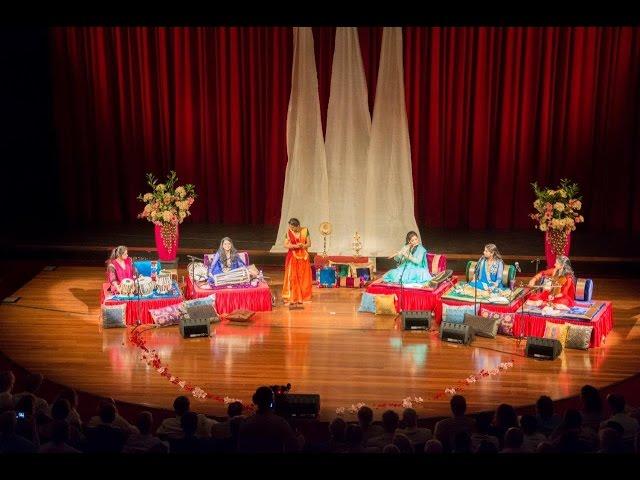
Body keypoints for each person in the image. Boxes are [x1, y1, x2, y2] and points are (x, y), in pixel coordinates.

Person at [282, 218, 312, 305]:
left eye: (293, 227)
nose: (291, 229)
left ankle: (303, 296)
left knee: (303, 277)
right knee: (293, 277)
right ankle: (293, 296)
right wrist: (295, 246)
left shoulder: (305, 231)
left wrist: (303, 245)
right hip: (292, 257)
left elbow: (309, 244)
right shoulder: (289, 232)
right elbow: (285, 245)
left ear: (298, 226)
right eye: (290, 227)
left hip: (303, 257)